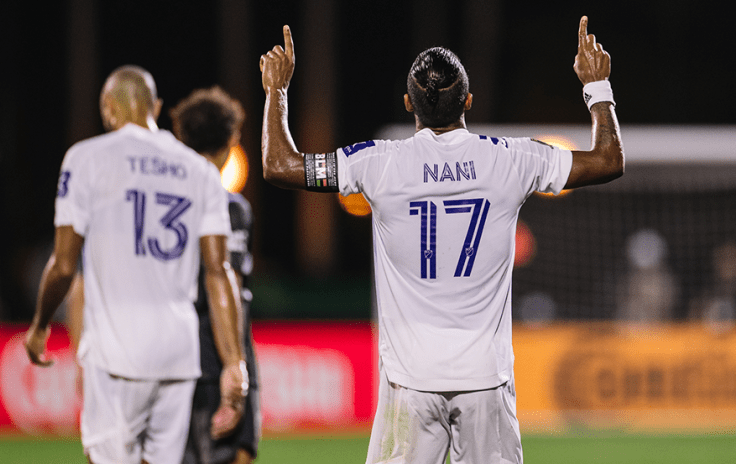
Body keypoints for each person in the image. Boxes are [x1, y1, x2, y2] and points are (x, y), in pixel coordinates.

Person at [259, 17, 623, 464]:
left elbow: (279, 165)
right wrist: (597, 85)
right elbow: (609, 159)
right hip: (485, 380)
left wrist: (277, 90)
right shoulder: (511, 159)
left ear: (408, 102)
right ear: (468, 100)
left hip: (409, 381)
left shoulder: (377, 162)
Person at [24, 65, 249, 464]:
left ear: (108, 108)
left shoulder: (86, 158)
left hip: (116, 353)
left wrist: (41, 324)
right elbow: (219, 271)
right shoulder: (199, 170)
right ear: (157, 107)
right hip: (178, 356)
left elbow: (63, 266)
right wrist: (234, 362)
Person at [169, 86, 261, 464]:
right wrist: (235, 366)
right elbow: (230, 284)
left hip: (173, 353)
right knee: (232, 455)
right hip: (217, 351)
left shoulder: (164, 204)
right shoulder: (230, 208)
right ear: (231, 141)